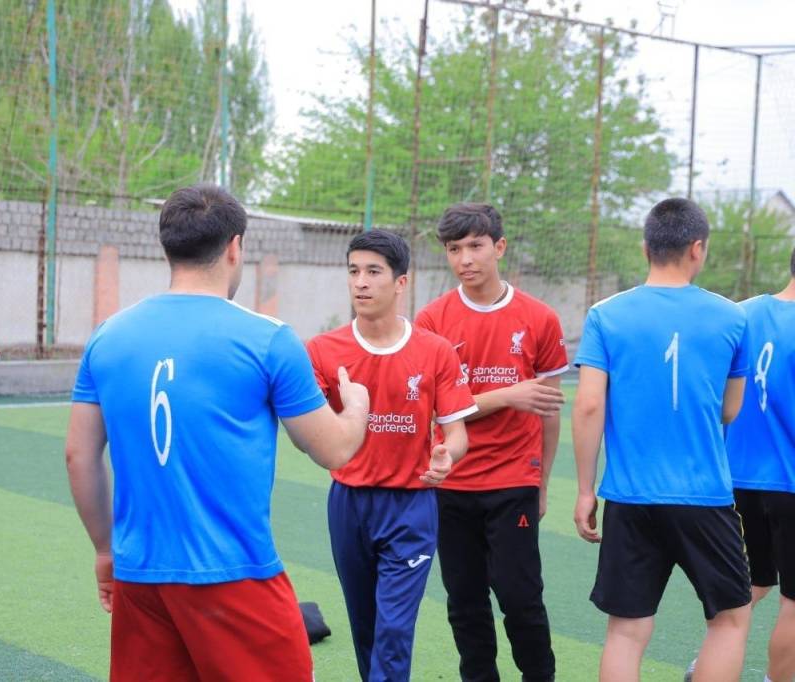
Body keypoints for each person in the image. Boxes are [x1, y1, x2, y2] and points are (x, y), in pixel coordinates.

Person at [64, 183, 370, 681]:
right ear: (235, 246)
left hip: (141, 578)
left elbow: (79, 456)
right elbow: (334, 449)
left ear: (168, 247)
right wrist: (357, 406)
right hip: (236, 577)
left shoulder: (108, 336)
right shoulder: (268, 339)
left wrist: (104, 549)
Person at [572, 197, 751, 682]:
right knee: (730, 620)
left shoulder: (605, 314)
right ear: (698, 248)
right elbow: (729, 410)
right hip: (704, 496)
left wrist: (586, 490)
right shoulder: (733, 318)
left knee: (626, 631)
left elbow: (588, 406)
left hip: (630, 498)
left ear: (645, 247)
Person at [306, 229, 476, 681]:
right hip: (349, 504)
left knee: (395, 629)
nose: (361, 282)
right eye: (354, 271)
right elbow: (311, 429)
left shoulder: (435, 351)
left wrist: (448, 455)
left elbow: (457, 433)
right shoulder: (322, 350)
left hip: (411, 507)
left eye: (373, 272)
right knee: (366, 626)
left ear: (401, 282)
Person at [415, 203, 565, 682]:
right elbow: (434, 409)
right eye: (454, 249)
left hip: (514, 481)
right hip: (452, 482)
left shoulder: (540, 318)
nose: (465, 259)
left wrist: (542, 482)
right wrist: (507, 395)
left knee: (520, 597)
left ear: (499, 247)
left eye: (475, 246)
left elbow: (548, 410)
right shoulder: (432, 320)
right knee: (464, 600)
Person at [725, 246, 795, 682]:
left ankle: (708, 661)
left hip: (738, 479)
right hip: (789, 482)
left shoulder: (742, 313)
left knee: (754, 581)